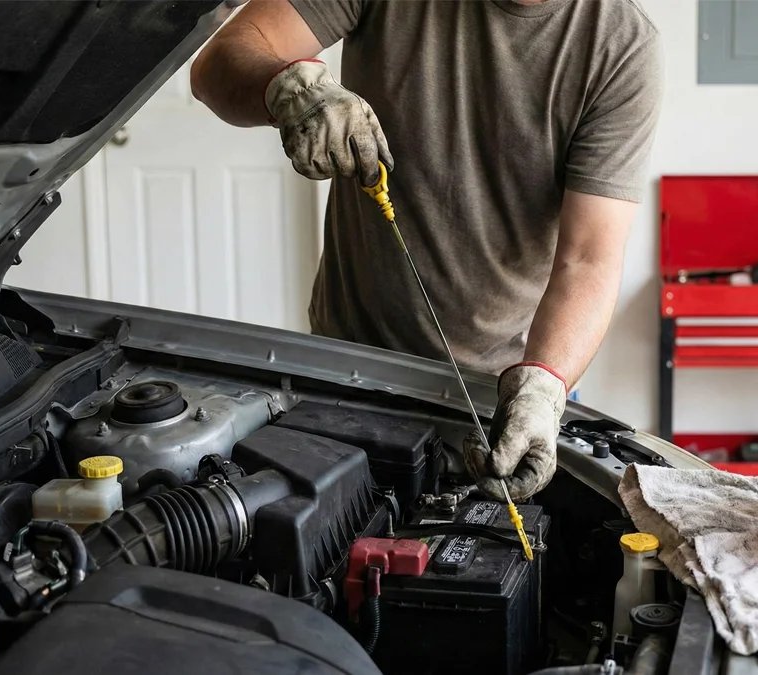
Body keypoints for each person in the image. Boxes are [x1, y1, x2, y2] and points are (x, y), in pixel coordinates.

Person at [190, 0, 663, 502]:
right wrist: (286, 87)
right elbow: (217, 62)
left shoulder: (620, 47)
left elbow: (588, 258)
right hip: (343, 369)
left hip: (502, 397)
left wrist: (544, 388)